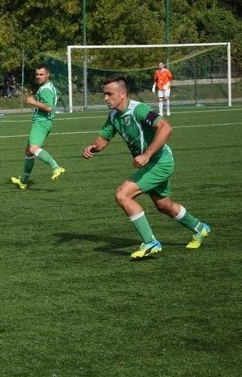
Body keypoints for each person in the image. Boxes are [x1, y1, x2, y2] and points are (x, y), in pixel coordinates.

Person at [82, 76, 210, 259]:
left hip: (159, 161)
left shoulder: (139, 109)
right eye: (105, 94)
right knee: (163, 205)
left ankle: (150, 242)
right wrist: (92, 147)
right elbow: (102, 141)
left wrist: (147, 154)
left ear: (123, 94)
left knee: (122, 194)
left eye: (109, 94)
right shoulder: (113, 115)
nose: (105, 98)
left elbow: (165, 127)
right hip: (151, 163)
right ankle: (199, 228)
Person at [10, 64, 65, 190]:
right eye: (37, 74)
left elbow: (49, 107)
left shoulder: (45, 89)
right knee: (28, 151)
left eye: (41, 74)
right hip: (44, 122)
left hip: (41, 122)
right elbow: (56, 95)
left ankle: (56, 167)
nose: (38, 77)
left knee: (33, 149)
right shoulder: (49, 86)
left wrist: (33, 102)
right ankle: (23, 181)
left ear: (47, 75)